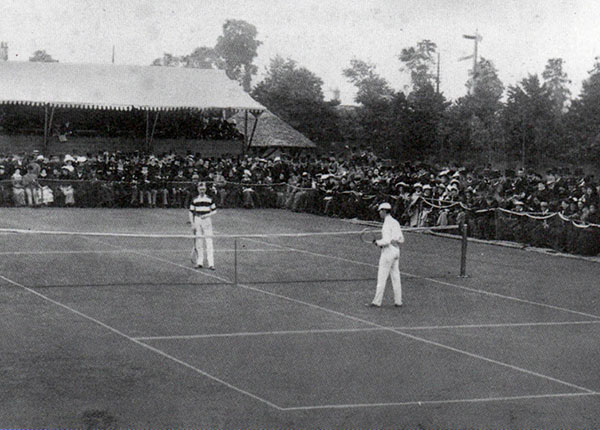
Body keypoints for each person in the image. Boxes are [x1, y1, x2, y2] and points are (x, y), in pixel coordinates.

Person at [366, 202, 405, 308]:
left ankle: (376, 301)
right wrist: (394, 241)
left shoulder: (387, 224)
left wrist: (377, 242)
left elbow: (386, 240)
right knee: (396, 277)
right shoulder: (395, 222)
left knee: (382, 277)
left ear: (383, 211)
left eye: (380, 211)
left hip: (388, 252)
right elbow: (401, 239)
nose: (379, 213)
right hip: (396, 250)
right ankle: (398, 301)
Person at [189, 182, 217, 270]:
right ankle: (199, 262)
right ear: (198, 189)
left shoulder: (209, 199)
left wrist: (207, 215)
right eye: (200, 189)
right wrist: (192, 223)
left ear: (205, 189)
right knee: (199, 242)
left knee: (209, 241)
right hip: (197, 220)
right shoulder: (194, 200)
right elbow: (190, 211)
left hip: (207, 220)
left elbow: (214, 210)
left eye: (203, 189)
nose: (202, 191)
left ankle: (211, 264)